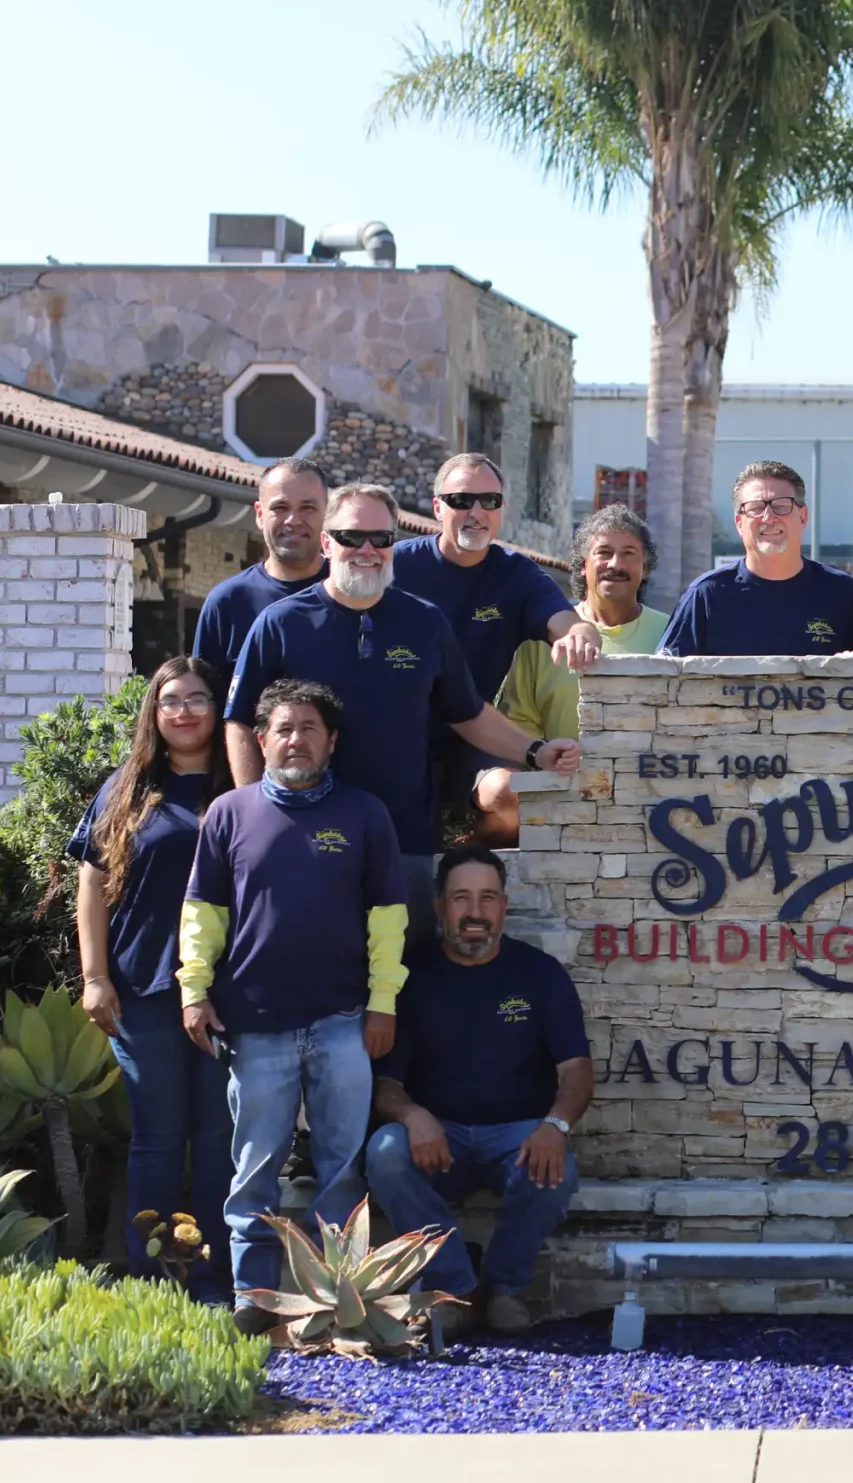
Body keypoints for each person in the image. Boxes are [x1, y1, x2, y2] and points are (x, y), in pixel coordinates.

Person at [225, 483, 582, 947]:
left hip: (405, 840)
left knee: (402, 972)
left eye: (381, 538)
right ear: (327, 542)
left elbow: (468, 714)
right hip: (304, 836)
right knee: (312, 964)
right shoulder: (280, 623)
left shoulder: (425, 622)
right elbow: (240, 720)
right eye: (352, 537)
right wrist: (255, 812)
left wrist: (535, 752)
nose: (368, 550)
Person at [179, 678, 408, 1336]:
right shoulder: (228, 814)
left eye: (309, 728)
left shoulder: (365, 814)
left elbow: (388, 919)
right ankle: (252, 1295)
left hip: (343, 1020)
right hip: (255, 1025)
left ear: (331, 740)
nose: (296, 739)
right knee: (255, 1170)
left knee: (341, 1169)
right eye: (283, 728)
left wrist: (383, 1003)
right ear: (261, 740)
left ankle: (336, 1297)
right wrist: (193, 990)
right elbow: (202, 914)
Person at [365, 847, 592, 1338]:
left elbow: (576, 1070)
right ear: (439, 906)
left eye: (488, 898)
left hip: (517, 1138)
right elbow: (385, 1085)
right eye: (461, 898)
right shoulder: (409, 976)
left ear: (504, 907)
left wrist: (555, 1126)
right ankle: (455, 1286)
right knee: (384, 1153)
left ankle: (505, 1288)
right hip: (438, 1140)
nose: (475, 912)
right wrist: (411, 1116)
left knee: (559, 1170)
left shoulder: (539, 974)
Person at [69, 656, 234, 1301]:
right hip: (142, 988)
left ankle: (218, 1276)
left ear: (218, 707)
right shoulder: (127, 788)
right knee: (158, 1140)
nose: (185, 711)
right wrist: (95, 977)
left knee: (219, 1138)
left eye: (198, 698)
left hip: (227, 990)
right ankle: (156, 1277)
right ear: (154, 714)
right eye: (171, 701)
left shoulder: (242, 782)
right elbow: (90, 884)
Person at [393, 454, 604, 845]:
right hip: (394, 737)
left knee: (512, 793)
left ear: (501, 508)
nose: (476, 512)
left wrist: (579, 634)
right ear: (437, 507)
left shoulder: (516, 574)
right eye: (461, 500)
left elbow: (565, 619)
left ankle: (473, 859)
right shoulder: (396, 566)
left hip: (478, 737)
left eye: (488, 501)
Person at [491, 507, 673, 835]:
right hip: (560, 803)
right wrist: (548, 757)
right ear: (581, 565)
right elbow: (519, 723)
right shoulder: (544, 639)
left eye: (629, 554)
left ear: (645, 568)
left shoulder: (671, 633)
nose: (615, 564)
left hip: (653, 803)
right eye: (603, 552)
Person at [657, 461, 853, 655]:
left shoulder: (846, 596)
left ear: (803, 516)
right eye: (755, 508)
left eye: (781, 506)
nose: (768, 517)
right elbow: (667, 679)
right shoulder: (705, 596)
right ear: (739, 523)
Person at [191, 459, 328, 675]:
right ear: (260, 515)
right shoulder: (228, 602)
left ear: (328, 515)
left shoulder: (352, 595)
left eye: (307, 508)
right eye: (280, 508)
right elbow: (202, 692)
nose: (293, 520)